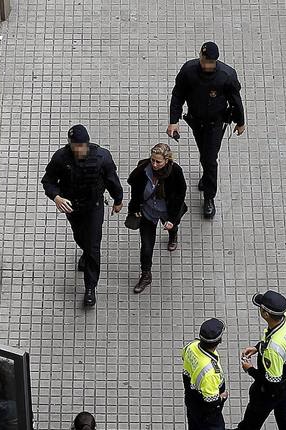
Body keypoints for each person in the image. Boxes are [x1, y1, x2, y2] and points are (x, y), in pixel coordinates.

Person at [41, 124, 123, 308]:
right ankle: (85, 253)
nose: (78, 149)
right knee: (80, 237)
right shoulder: (61, 158)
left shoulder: (102, 156)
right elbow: (48, 181)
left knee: (93, 246)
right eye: (75, 145)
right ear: (70, 144)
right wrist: (56, 197)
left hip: (94, 206)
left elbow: (112, 179)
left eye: (81, 145)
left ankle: (90, 288)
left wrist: (118, 200)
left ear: (87, 143)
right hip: (72, 207)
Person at [167, 41, 245, 219]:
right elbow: (178, 94)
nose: (206, 65)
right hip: (196, 121)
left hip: (215, 124)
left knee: (210, 159)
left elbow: (236, 101)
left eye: (210, 62)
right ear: (200, 56)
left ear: (216, 61)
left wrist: (240, 122)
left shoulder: (226, 75)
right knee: (204, 153)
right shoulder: (188, 71)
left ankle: (209, 197)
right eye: (204, 60)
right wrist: (174, 120)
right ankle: (206, 176)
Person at [227, 291, 286, 430]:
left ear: (266, 314)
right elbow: (275, 339)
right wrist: (258, 347)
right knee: (285, 410)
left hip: (275, 385)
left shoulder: (273, 350)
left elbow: (272, 384)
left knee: (256, 412)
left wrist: (250, 369)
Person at [127, 143, 187, 294]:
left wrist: (172, 219)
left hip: (167, 211)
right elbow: (135, 190)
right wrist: (134, 208)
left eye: (158, 161)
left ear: (167, 160)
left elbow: (180, 194)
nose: (154, 164)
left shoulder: (175, 172)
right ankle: (146, 275)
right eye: (152, 160)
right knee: (146, 247)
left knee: (171, 227)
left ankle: (173, 235)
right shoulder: (143, 169)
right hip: (147, 212)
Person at [182, 318, 232, 430]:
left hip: (191, 400)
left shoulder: (191, 346)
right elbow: (211, 402)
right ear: (218, 341)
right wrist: (221, 396)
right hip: (207, 412)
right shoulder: (210, 371)